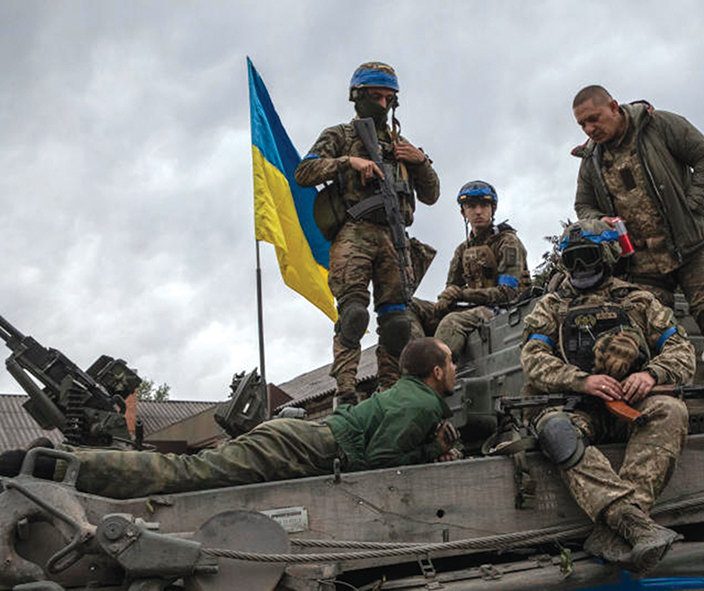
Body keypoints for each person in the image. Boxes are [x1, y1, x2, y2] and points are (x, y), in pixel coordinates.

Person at [0, 338, 460, 499]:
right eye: (452, 363)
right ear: (436, 372)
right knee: (185, 475)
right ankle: (54, 463)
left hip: (300, 439)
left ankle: (62, 460)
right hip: (305, 447)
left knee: (187, 472)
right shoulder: (419, 405)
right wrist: (430, 450)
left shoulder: (408, 395)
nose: (456, 370)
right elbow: (376, 467)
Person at [570, 85, 704, 430]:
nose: (589, 129)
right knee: (643, 336)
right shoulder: (591, 159)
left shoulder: (660, 126)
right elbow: (583, 205)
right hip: (640, 262)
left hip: (692, 248)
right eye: (582, 125)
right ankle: (663, 410)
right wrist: (600, 222)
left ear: (613, 107)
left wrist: (694, 204)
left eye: (594, 119)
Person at [521, 221, 695, 572]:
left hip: (632, 405)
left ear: (608, 256)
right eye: (572, 261)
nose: (580, 268)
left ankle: (615, 532)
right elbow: (533, 358)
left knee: (670, 411)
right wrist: (582, 381)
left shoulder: (639, 301)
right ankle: (631, 523)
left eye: (587, 257)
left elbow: (682, 351)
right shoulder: (551, 306)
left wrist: (651, 375)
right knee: (556, 432)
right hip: (577, 406)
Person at [294, 62, 440, 406]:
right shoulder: (340, 136)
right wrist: (348, 162)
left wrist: (421, 162)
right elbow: (304, 171)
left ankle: (388, 394)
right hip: (354, 234)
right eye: (376, 97)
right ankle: (345, 393)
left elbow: (431, 196)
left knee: (397, 324)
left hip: (394, 237)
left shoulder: (401, 145)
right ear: (358, 98)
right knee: (353, 315)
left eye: (389, 98)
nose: (384, 105)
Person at [434, 181, 530, 362]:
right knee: (411, 309)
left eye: (484, 206)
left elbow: (507, 293)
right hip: (472, 308)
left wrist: (462, 295)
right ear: (463, 212)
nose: (478, 211)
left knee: (451, 322)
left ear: (493, 209)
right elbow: (451, 290)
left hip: (505, 309)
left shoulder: (507, 242)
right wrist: (445, 299)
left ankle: (434, 379)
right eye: (471, 206)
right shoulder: (462, 250)